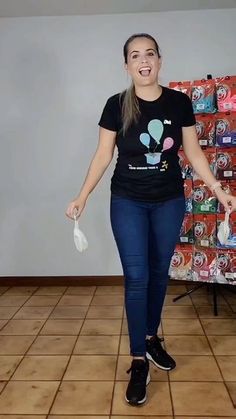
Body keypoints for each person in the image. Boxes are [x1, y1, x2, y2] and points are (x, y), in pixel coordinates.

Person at [66, 33, 236, 406]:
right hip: (127, 200)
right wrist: (82, 196)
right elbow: (102, 156)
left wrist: (218, 190)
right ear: (126, 65)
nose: (143, 61)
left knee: (160, 272)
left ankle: (150, 337)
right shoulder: (116, 105)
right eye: (134, 56)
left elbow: (193, 152)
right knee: (138, 276)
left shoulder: (178, 103)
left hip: (169, 201)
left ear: (159, 60)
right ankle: (138, 359)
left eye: (150, 54)